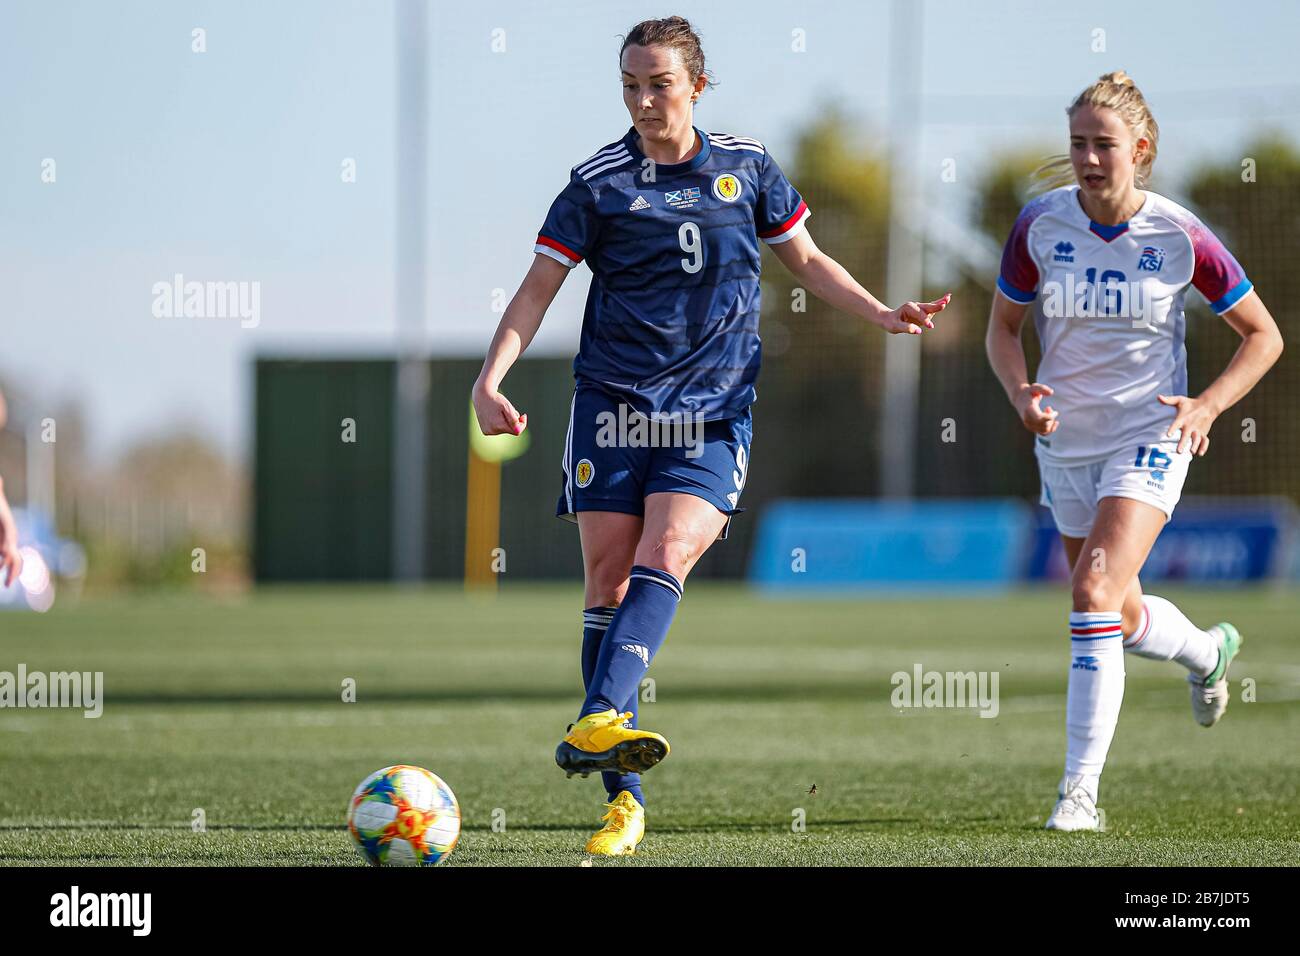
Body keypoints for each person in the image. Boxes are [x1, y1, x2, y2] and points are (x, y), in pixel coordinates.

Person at [473, 15, 949, 855]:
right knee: (608, 583)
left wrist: (880, 310)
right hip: (613, 406)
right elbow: (537, 286)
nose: (645, 99)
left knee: (673, 548)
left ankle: (594, 720)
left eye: (659, 83)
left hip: (713, 407)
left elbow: (804, 259)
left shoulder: (747, 167)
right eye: (631, 84)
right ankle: (623, 800)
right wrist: (490, 376)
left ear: (696, 83)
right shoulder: (597, 183)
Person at [985, 71, 1284, 832]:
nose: (1088, 158)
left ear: (1140, 150)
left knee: (1090, 592)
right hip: (1065, 444)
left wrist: (1209, 404)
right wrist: (1023, 394)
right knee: (1114, 612)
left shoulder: (1179, 235)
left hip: (1150, 435)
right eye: (1078, 143)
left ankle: (1077, 795)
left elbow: (1264, 334)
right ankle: (1208, 653)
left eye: (1104, 144)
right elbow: (1002, 332)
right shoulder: (1040, 227)